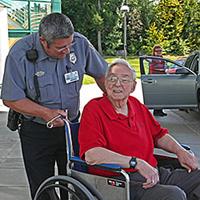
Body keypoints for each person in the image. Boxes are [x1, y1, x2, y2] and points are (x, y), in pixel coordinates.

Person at [1, 13, 107, 199]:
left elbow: (103, 75)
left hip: (72, 128)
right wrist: (44, 112)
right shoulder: (19, 53)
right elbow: (10, 98)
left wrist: (114, 102)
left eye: (69, 44)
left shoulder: (80, 44)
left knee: (77, 183)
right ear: (43, 41)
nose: (67, 51)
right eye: (60, 48)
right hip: (36, 131)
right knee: (43, 187)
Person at [79, 58, 200, 200]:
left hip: (153, 172)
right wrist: (136, 162)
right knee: (173, 195)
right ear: (105, 83)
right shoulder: (94, 109)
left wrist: (180, 151)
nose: (117, 84)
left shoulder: (135, 105)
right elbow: (92, 155)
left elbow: (159, 135)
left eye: (125, 80)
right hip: (121, 180)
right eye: (112, 79)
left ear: (133, 86)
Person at [150, 45, 167, 117]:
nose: (159, 52)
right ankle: (156, 111)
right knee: (156, 95)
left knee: (162, 95)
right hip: (155, 79)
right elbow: (153, 68)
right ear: (154, 52)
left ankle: (160, 110)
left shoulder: (162, 59)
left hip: (162, 78)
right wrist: (163, 70)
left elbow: (165, 67)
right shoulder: (152, 59)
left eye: (160, 51)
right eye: (157, 51)